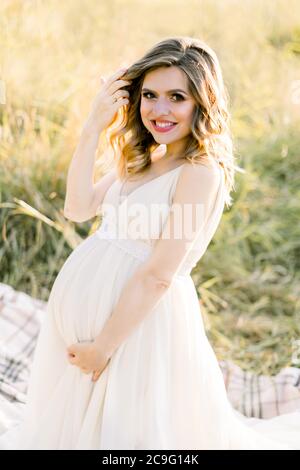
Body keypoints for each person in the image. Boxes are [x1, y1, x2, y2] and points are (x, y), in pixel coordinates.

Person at [1, 36, 300, 450]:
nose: (160, 110)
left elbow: (160, 274)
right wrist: (92, 127)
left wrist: (103, 346)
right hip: (99, 338)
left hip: (134, 330)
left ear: (201, 102)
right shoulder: (147, 157)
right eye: (150, 95)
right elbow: (77, 207)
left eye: (177, 97)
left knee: (130, 439)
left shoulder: (199, 172)